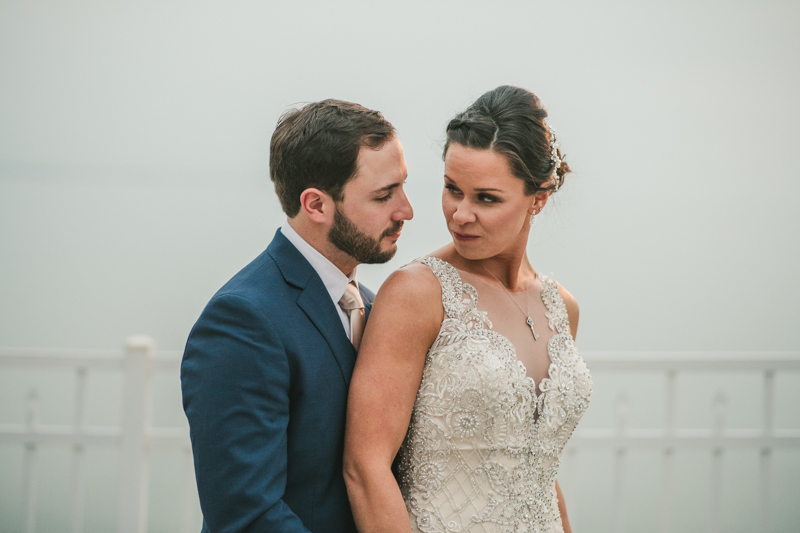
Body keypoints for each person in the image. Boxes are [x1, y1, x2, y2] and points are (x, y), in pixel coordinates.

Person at [344, 86, 593, 533]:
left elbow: (537, 470)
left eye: (486, 198)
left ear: (538, 198)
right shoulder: (417, 293)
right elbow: (365, 467)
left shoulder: (562, 307)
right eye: (452, 189)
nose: (460, 214)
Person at [181, 99, 413, 533]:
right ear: (316, 205)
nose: (406, 210)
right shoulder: (242, 321)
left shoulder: (373, 303)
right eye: (384, 195)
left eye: (402, 187)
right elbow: (245, 515)